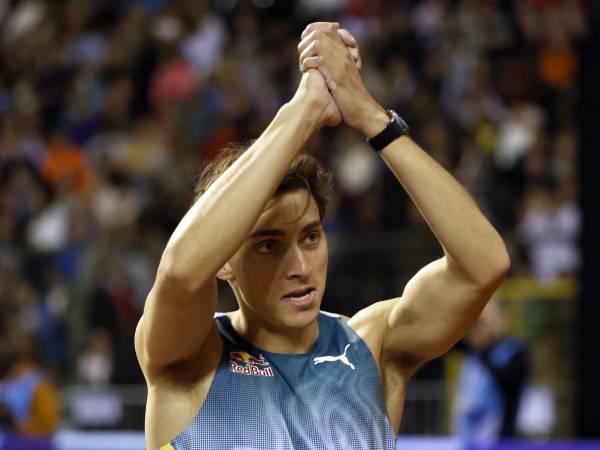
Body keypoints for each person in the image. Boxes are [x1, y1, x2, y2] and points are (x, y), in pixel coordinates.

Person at [135, 22, 510, 450]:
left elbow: (484, 265)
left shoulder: (373, 345)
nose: (299, 267)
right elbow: (181, 273)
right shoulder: (188, 360)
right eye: (268, 245)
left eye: (311, 237)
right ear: (223, 261)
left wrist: (371, 118)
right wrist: (304, 109)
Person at [453, 299, 528, 448]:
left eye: (491, 316)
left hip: (499, 434)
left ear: (504, 318)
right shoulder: (471, 347)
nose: (486, 324)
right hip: (467, 432)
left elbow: (507, 381)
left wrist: (483, 349)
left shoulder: (516, 351)